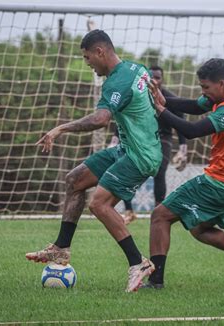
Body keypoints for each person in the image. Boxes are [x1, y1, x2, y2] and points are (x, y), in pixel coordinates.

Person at [25, 29, 162, 293]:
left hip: (141, 155)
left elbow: (100, 120)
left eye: (88, 58)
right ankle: (61, 249)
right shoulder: (138, 68)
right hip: (128, 148)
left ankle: (138, 263)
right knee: (75, 180)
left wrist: (60, 129)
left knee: (99, 204)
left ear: (100, 52)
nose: (87, 63)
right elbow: (155, 98)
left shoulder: (116, 82)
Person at [144, 58, 224, 290]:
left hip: (220, 182)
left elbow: (191, 131)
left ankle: (155, 281)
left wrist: (160, 109)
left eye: (205, 87)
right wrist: (165, 100)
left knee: (160, 216)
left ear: (221, 83)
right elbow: (197, 106)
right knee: (199, 228)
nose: (203, 92)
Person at [108, 65, 187, 225]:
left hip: (163, 139)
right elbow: (124, 117)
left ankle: (159, 210)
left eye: (158, 77)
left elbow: (181, 122)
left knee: (159, 172)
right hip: (139, 138)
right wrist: (114, 141)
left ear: (162, 79)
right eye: (152, 77)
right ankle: (129, 211)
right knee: (126, 171)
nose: (155, 80)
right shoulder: (137, 95)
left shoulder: (169, 98)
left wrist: (183, 150)